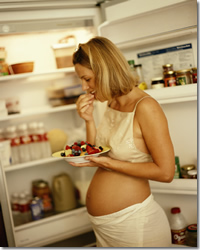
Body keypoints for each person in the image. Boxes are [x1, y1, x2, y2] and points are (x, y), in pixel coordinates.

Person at [70, 36, 175, 247]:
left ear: (105, 71)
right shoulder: (111, 102)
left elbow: (166, 173)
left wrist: (107, 164)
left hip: (135, 225)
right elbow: (96, 155)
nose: (84, 87)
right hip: (105, 227)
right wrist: (88, 120)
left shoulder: (145, 107)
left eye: (87, 79)